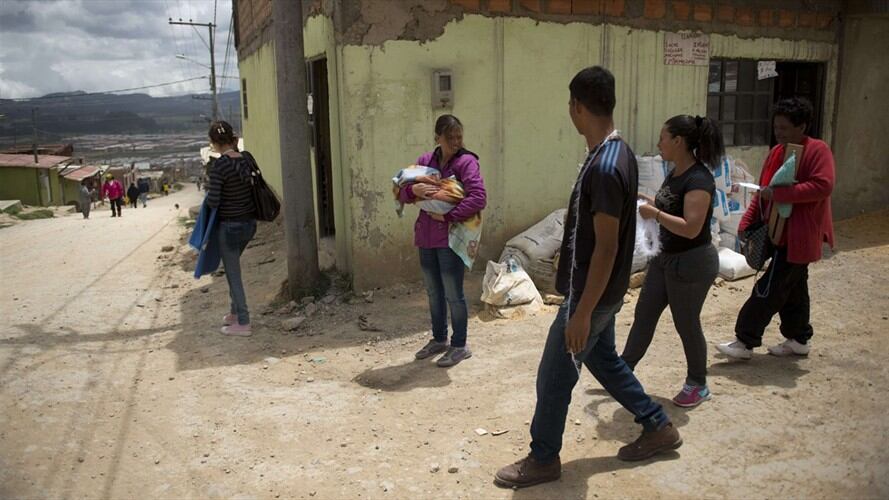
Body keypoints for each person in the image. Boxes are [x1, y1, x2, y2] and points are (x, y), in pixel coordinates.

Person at [494, 67, 681, 489]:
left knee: (554, 375)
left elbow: (609, 247)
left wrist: (581, 313)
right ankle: (657, 425)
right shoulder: (616, 153)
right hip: (602, 291)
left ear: (578, 107)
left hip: (592, 296)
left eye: (570, 105)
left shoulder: (605, 165)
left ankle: (543, 458)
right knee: (603, 360)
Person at [717, 97, 835, 360]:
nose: (778, 132)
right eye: (776, 127)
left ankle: (744, 340)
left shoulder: (818, 151)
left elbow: (823, 186)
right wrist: (747, 223)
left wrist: (783, 194)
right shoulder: (777, 152)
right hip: (774, 231)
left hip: (799, 235)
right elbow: (763, 192)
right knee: (793, 289)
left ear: (802, 127)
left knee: (769, 287)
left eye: (784, 128)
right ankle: (799, 338)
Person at [620, 115, 723, 408]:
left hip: (692, 264)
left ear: (679, 141)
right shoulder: (676, 173)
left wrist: (657, 215)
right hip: (666, 259)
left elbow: (691, 227)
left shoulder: (699, 180)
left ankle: (698, 383)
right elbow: (669, 204)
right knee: (645, 313)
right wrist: (647, 201)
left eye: (663, 138)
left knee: (686, 323)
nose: (658, 143)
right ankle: (623, 371)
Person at [399, 114, 486, 367]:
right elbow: (402, 191)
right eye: (450, 138)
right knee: (433, 292)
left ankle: (459, 345)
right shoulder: (425, 162)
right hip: (425, 238)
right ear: (437, 138)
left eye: (459, 137)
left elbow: (478, 197)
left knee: (453, 294)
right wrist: (412, 190)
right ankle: (439, 339)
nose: (456, 142)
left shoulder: (467, 162)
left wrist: (448, 216)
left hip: (451, 240)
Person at [206, 120, 258, 337]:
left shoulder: (220, 166)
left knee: (233, 274)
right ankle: (234, 313)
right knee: (233, 267)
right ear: (233, 139)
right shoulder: (247, 159)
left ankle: (243, 322)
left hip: (229, 227)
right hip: (250, 225)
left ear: (214, 144)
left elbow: (214, 201)